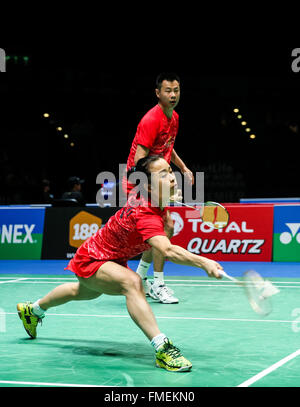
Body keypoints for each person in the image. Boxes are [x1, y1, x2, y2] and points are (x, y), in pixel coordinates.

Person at [17, 156, 223, 373]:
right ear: (148, 186)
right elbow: (167, 250)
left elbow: (146, 184)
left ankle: (33, 309)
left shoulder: (146, 195)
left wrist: (166, 197)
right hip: (93, 258)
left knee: (84, 292)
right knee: (132, 282)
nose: (171, 177)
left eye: (170, 171)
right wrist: (204, 262)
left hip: (107, 255)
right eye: (162, 174)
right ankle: (162, 347)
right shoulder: (145, 213)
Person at [123, 72, 194, 304]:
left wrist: (183, 168)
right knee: (165, 228)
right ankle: (156, 282)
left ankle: (141, 278)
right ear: (158, 93)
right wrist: (154, 189)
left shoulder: (174, 118)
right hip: (139, 181)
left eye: (176, 90)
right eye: (168, 91)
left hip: (155, 180)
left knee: (163, 230)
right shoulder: (150, 120)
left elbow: (167, 147)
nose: (173, 95)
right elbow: (138, 163)